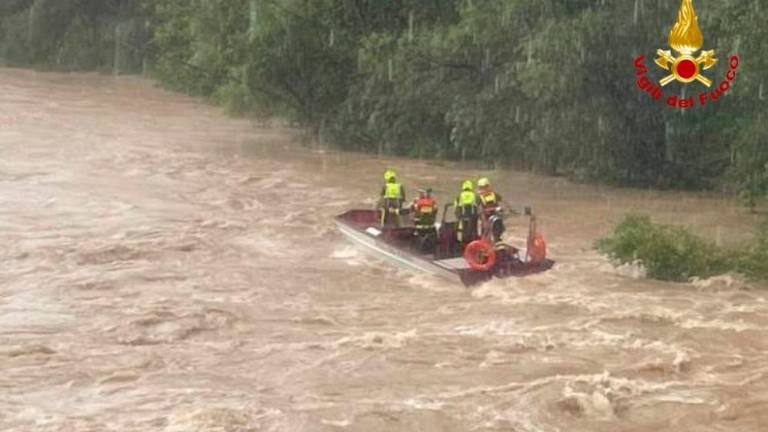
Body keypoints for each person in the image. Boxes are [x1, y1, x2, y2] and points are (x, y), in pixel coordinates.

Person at [477, 177, 505, 243]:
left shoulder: (494, 195)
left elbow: (504, 202)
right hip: (486, 217)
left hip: (496, 216)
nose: (484, 189)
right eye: (482, 187)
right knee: (485, 231)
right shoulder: (479, 198)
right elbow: (480, 210)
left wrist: (511, 210)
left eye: (486, 187)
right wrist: (484, 222)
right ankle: (483, 244)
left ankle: (497, 241)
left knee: (499, 228)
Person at [454, 180, 479, 247]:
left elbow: (456, 207)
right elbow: (478, 205)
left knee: (464, 230)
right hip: (472, 216)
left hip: (463, 216)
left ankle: (464, 244)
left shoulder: (459, 196)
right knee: (473, 230)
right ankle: (474, 243)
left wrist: (458, 216)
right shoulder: (474, 195)